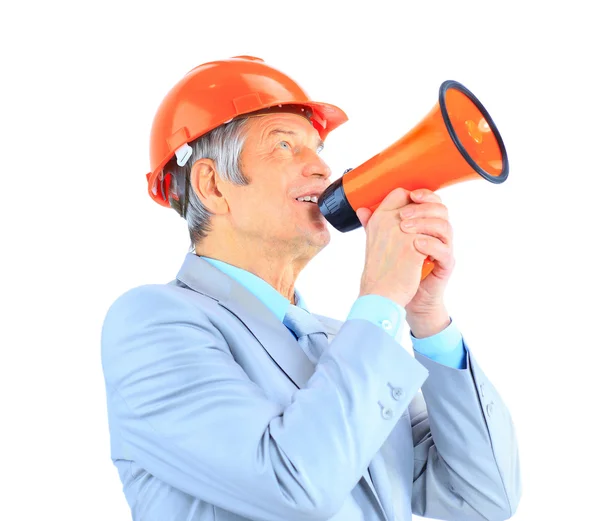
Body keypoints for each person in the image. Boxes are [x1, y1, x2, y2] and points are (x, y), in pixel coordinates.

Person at [101, 56, 521, 521]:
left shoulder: (350, 341)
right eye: (284, 146)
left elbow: (482, 498)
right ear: (212, 185)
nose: (322, 167)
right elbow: (292, 484)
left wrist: (427, 318)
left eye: (318, 148)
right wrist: (379, 298)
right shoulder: (151, 322)